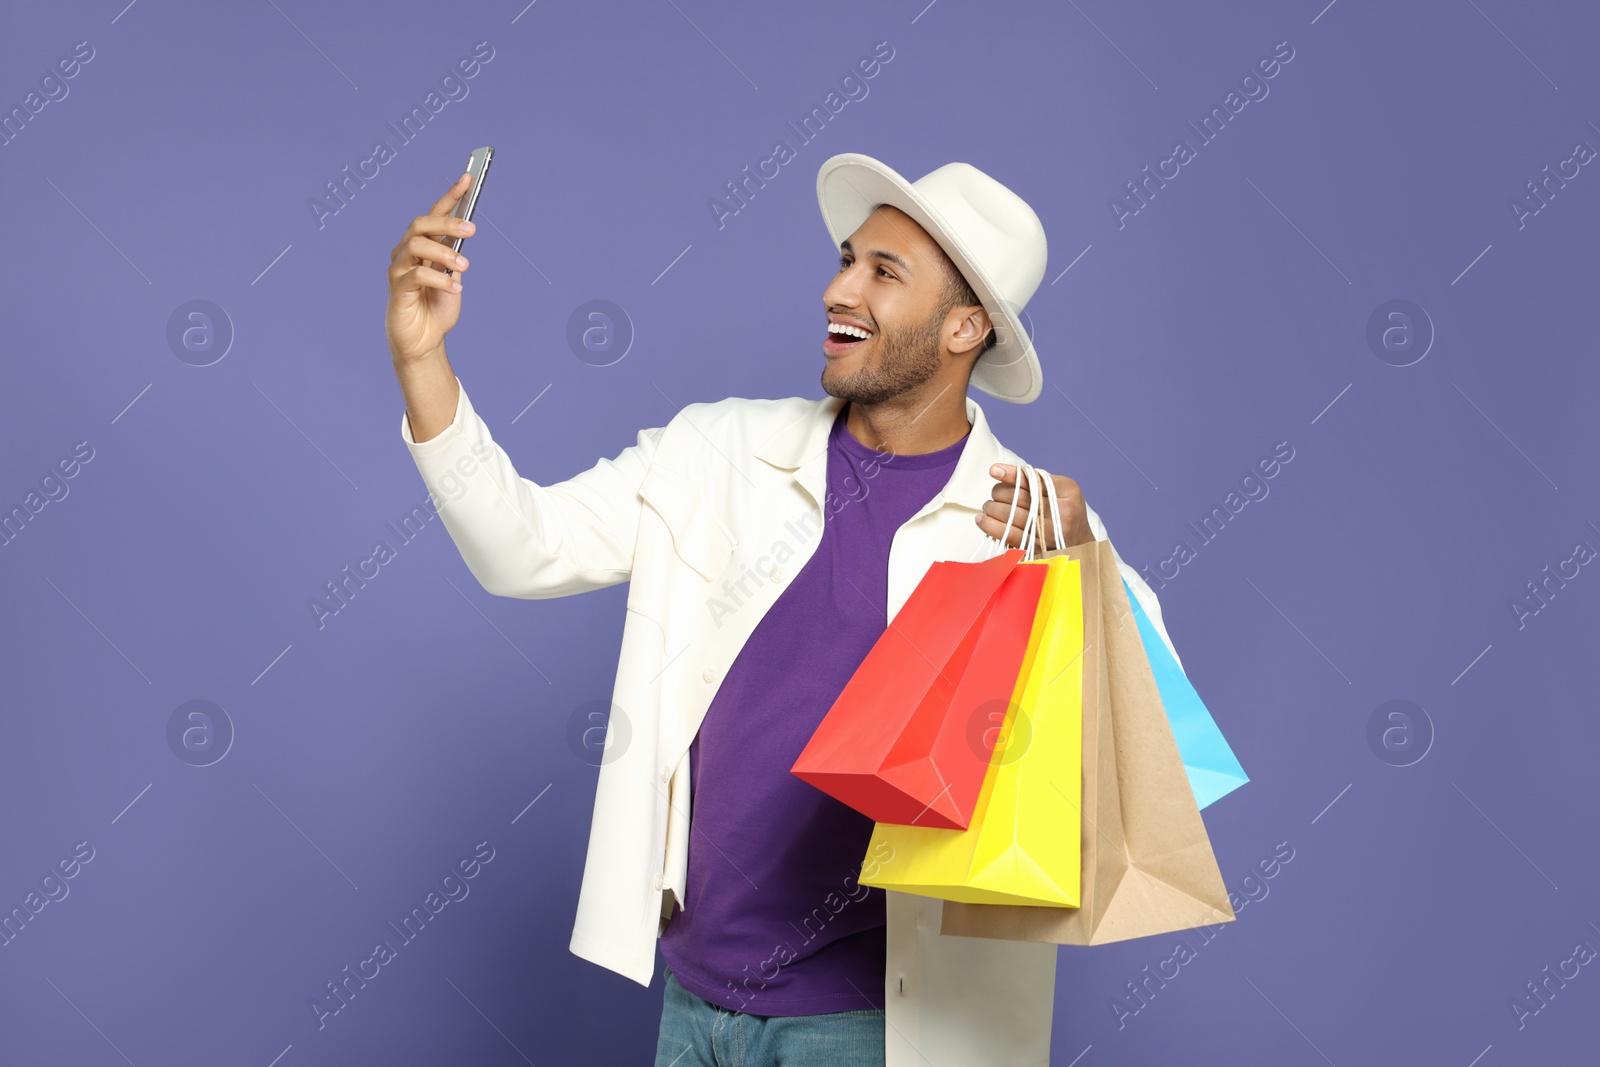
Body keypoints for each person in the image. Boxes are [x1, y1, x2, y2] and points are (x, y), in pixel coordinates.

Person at [385, 153, 1178, 1067]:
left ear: (965, 327)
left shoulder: (1029, 520)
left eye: (884, 272)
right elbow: (524, 546)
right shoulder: (717, 451)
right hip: (695, 1005)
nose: (839, 287)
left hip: (877, 1027)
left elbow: (1147, 752)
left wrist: (1084, 560)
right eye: (847, 258)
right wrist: (422, 358)